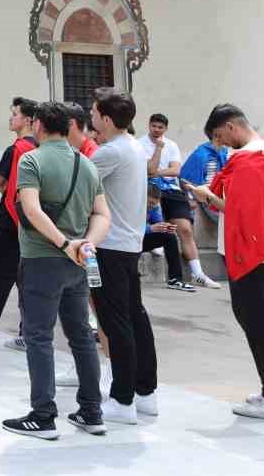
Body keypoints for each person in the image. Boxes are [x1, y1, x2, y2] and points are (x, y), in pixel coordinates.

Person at [185, 104, 264, 423]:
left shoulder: (248, 158)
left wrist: (207, 196)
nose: (222, 143)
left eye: (220, 136)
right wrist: (211, 197)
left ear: (231, 126)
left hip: (256, 252)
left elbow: (241, 211)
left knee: (259, 321)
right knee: (260, 319)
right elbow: (246, 206)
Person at [3, 101, 110, 441]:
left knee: (38, 336)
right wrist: (85, 245)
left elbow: (31, 210)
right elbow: (103, 215)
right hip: (77, 261)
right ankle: (92, 410)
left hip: (42, 259)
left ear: (38, 126)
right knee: (80, 336)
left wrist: (65, 244)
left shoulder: (32, 160)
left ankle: (43, 414)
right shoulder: (86, 163)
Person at [85, 89, 159, 425]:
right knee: (135, 318)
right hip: (128, 243)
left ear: (107, 118)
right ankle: (145, 393)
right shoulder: (133, 147)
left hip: (110, 246)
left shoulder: (111, 152)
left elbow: (76, 181)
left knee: (116, 323)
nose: (91, 117)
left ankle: (123, 398)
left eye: (95, 112)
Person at [0, 97, 39, 347]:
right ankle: (26, 332)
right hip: (33, 222)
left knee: (0, 278)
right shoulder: (40, 148)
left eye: (15, 114)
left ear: (28, 120)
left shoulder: (17, 149)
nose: (11, 118)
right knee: (28, 281)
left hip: (11, 220)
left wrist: (8, 189)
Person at [141, 113, 218, 289]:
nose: (156, 130)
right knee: (161, 223)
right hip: (151, 188)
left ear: (165, 129)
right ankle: (155, 241)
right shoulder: (140, 144)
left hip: (172, 190)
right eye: (154, 126)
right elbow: (149, 170)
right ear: (149, 125)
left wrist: (157, 171)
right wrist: (158, 151)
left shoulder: (172, 145)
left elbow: (176, 170)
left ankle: (197, 274)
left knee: (185, 230)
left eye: (160, 127)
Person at [180, 114, 230, 225]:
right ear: (217, 135)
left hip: (221, 193)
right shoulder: (201, 154)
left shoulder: (224, 152)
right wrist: (190, 198)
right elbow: (185, 178)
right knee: (225, 217)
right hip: (205, 195)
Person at [143, 190, 185, 290]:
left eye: (155, 203)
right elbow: (131, 228)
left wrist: (165, 227)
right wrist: (151, 228)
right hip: (129, 240)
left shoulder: (154, 207)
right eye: (150, 203)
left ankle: (175, 279)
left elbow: (158, 222)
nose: (152, 206)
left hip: (142, 239)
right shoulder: (133, 204)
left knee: (169, 236)